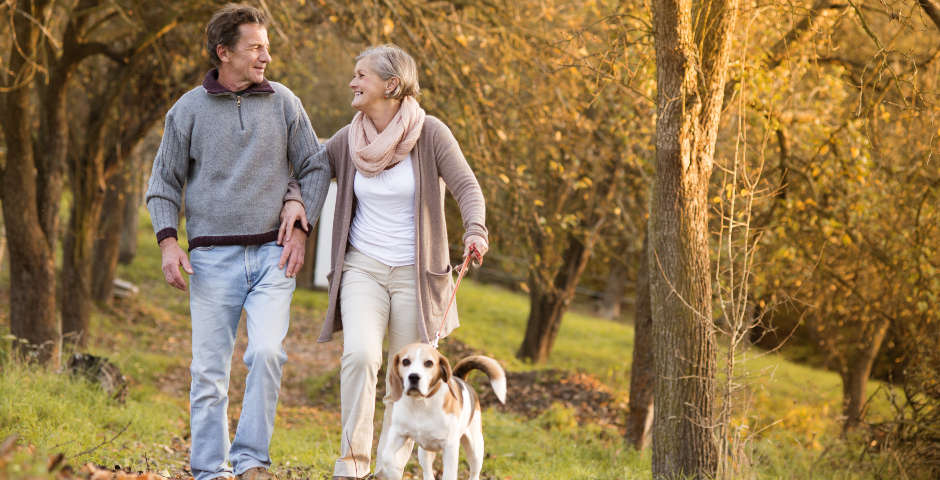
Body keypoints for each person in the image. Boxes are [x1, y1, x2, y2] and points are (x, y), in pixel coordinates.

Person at [144, 4, 329, 480]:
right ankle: (210, 469)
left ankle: (251, 461)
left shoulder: (285, 101)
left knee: (267, 353)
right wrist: (168, 242)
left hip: (273, 254)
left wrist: (301, 217)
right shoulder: (186, 110)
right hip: (210, 259)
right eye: (256, 47)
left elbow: (315, 166)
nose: (265, 55)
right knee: (209, 373)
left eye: (267, 47)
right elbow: (162, 183)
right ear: (224, 52)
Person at [299, 44, 488, 480]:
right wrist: (295, 205)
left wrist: (475, 228)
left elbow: (467, 187)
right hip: (362, 266)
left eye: (360, 75)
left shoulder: (431, 134)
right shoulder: (348, 139)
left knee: (402, 382)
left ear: (391, 85)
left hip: (415, 277)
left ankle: (387, 469)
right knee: (361, 356)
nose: (352, 82)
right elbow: (309, 173)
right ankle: (352, 464)